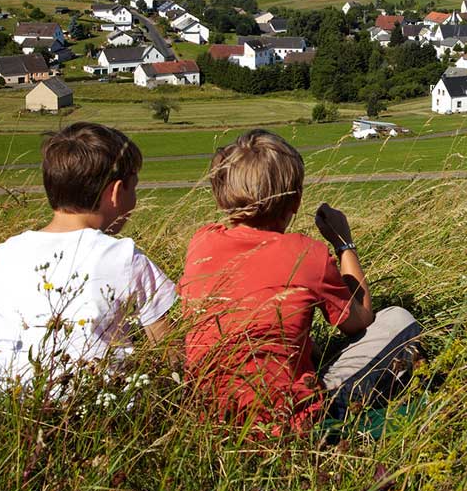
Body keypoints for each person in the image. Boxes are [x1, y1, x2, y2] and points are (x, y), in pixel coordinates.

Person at [180, 129, 422, 431]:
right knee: (399, 319)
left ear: (222, 194)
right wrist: (343, 242)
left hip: (208, 416)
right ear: (295, 201)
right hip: (286, 420)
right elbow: (360, 319)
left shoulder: (201, 243)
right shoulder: (307, 254)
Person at [0, 122, 176, 397]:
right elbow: (170, 349)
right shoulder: (125, 257)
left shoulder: (3, 254)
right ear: (116, 193)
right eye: (134, 189)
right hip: (100, 416)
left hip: (11, 411)